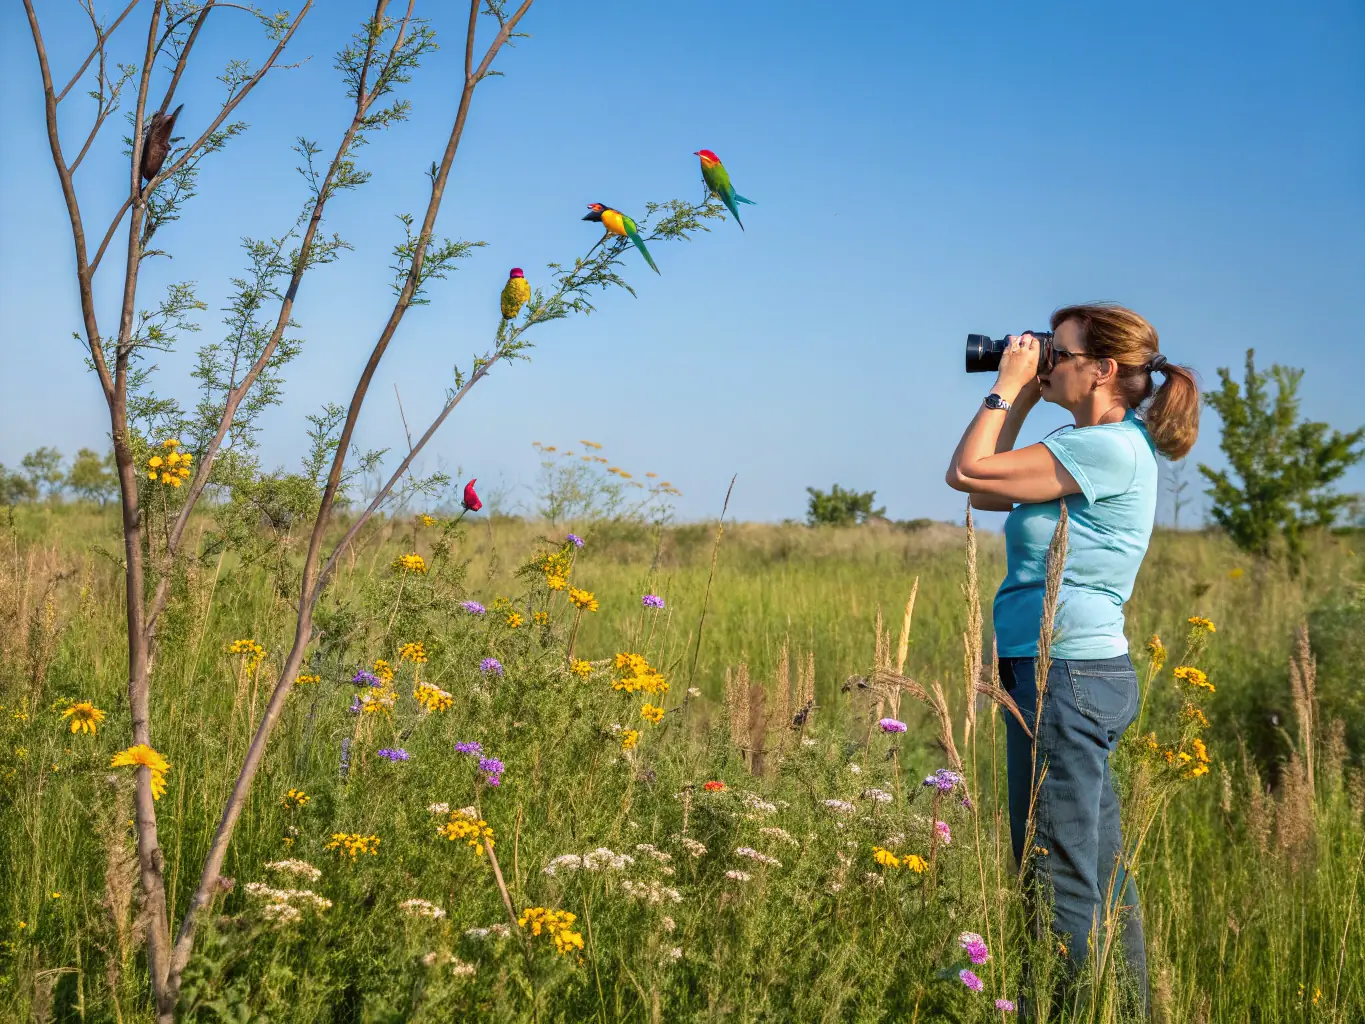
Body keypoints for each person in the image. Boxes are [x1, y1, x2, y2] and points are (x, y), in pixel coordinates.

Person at [944, 303, 1200, 1013]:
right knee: (1097, 872)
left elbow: (965, 469)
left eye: (1057, 353)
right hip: (1070, 673)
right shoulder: (1096, 446)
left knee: (1055, 874)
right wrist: (1027, 394)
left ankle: (1063, 1009)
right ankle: (1120, 1008)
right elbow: (980, 484)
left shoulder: (1105, 447)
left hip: (1064, 675)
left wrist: (1005, 387)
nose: (1045, 361)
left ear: (1102, 370)